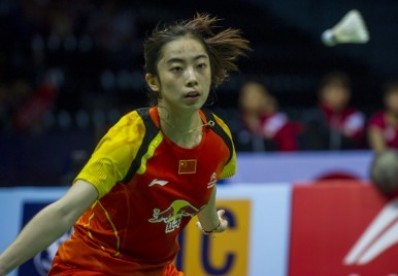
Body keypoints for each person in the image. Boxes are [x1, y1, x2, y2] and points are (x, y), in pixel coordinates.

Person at [0, 14, 249, 276]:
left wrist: (211, 224)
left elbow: (205, 181)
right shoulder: (132, 137)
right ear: (154, 81)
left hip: (156, 269)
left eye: (200, 66)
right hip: (94, 264)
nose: (192, 78)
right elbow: (65, 212)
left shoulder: (218, 137)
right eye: (177, 68)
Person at [238, 81, 302, 151]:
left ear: (264, 98)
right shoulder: (239, 123)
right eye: (246, 96)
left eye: (255, 96)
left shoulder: (276, 122)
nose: (250, 100)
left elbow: (289, 150)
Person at [317, 71, 365, 149]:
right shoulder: (314, 115)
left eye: (342, 89)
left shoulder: (355, 115)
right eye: (334, 89)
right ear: (322, 92)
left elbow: (354, 137)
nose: (338, 94)